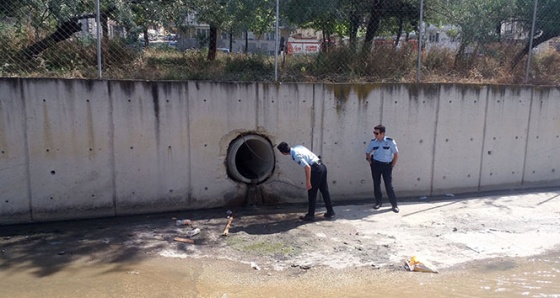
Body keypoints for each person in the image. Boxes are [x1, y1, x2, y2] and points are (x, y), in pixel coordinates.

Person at [277, 142, 335, 221]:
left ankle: (310, 215)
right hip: (322, 166)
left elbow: (307, 167)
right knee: (324, 190)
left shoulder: (296, 156)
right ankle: (330, 211)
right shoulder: (298, 147)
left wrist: (308, 181)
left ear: (283, 153)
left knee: (312, 192)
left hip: (316, 169)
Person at [365, 125, 400, 213]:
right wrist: (370, 163)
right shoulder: (373, 142)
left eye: (377, 133)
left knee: (388, 185)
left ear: (382, 134)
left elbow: (396, 154)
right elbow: (367, 152)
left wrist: (392, 166)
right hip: (376, 165)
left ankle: (394, 205)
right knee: (376, 184)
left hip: (387, 166)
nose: (375, 135)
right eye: (374, 133)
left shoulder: (390, 142)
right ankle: (378, 202)